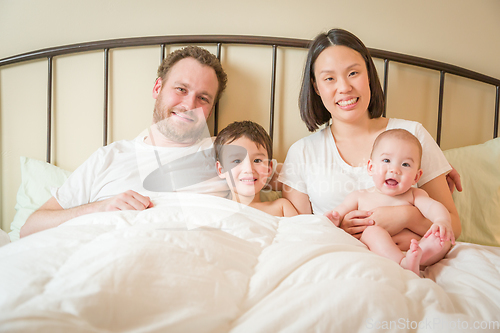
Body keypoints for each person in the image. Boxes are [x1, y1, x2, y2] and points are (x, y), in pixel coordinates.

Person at [278, 28, 461, 256]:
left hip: (415, 258)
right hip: (340, 261)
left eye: (353, 73)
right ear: (316, 87)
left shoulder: (412, 134)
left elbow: (454, 226)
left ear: (369, 75)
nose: (344, 87)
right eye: (329, 78)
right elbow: (302, 235)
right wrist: (343, 229)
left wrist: (408, 217)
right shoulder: (302, 152)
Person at [21, 46, 228, 237]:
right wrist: (100, 208)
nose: (189, 105)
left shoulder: (226, 152)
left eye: (203, 98)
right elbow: (29, 229)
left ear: (210, 110)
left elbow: (257, 203)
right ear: (158, 88)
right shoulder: (110, 157)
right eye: (181, 89)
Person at [326, 129, 454, 274]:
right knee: (371, 232)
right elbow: (338, 213)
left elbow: (433, 207)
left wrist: (442, 221)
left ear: (416, 177)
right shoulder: (359, 196)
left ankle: (417, 259)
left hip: (419, 251)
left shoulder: (415, 195)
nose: (394, 170)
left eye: (405, 164)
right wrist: (334, 218)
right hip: (383, 255)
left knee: (441, 237)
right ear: (371, 167)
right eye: (386, 161)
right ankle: (403, 263)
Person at [215, 121, 298, 217]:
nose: (249, 169)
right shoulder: (216, 210)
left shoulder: (282, 208)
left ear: (269, 168)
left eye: (257, 160)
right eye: (237, 161)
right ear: (221, 170)